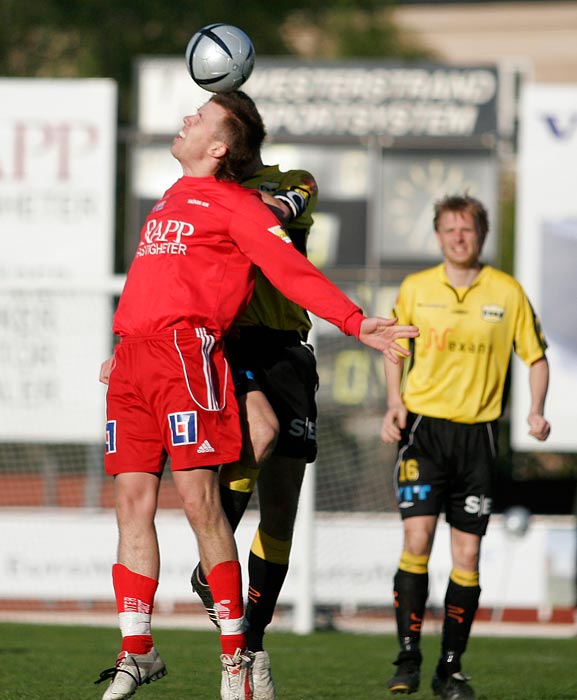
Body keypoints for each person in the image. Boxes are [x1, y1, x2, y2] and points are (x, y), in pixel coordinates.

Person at [95, 90, 419, 700]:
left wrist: (355, 322)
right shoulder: (170, 196)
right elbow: (155, 279)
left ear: (218, 148)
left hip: (189, 355)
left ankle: (237, 656)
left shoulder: (236, 204)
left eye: (201, 117)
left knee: (201, 501)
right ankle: (137, 650)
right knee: (131, 501)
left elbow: (290, 269)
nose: (186, 117)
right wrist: (125, 341)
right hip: (136, 359)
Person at [380, 194, 550, 700]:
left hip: (478, 436)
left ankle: (449, 669)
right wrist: (394, 401)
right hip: (424, 432)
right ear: (438, 235)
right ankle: (408, 658)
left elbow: (536, 357)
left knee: (468, 553)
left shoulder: (508, 292)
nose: (459, 237)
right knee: (417, 539)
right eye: (450, 229)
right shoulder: (416, 288)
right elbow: (394, 345)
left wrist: (536, 409)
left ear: (482, 235)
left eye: (468, 230)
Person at [189, 155, 320, 700]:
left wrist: (241, 201)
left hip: (290, 349)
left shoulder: (294, 181)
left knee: (284, 502)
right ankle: (212, 569)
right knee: (256, 438)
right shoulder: (199, 192)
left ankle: (253, 643)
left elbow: (284, 208)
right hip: (237, 344)